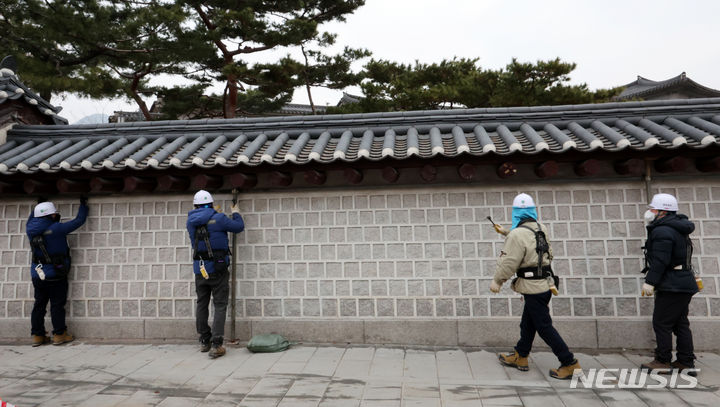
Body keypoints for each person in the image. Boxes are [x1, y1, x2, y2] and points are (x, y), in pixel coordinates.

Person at [490, 193, 581, 379]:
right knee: (528, 323)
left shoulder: (517, 235)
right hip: (545, 283)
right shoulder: (541, 228)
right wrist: (506, 232)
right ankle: (521, 355)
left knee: (544, 327)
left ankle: (569, 362)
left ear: (515, 213)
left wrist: (498, 280)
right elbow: (532, 243)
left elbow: (509, 262)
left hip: (532, 286)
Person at [640, 193, 699, 375]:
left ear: (663, 212)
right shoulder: (677, 227)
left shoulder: (662, 231)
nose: (649, 212)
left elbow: (660, 261)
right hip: (683, 281)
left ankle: (663, 360)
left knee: (661, 323)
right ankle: (685, 361)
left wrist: (650, 282)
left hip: (672, 284)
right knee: (680, 323)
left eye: (653, 209)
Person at [187, 190, 244, 359]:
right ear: (211, 204)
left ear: (195, 206)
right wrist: (235, 213)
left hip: (200, 269)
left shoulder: (190, 221)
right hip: (218, 269)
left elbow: (202, 227)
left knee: (202, 304)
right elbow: (238, 227)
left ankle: (205, 340)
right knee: (220, 305)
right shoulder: (219, 218)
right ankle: (217, 344)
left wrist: (212, 213)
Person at [26, 197, 89, 346]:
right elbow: (78, 221)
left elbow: (33, 217)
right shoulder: (57, 228)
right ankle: (60, 334)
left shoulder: (30, 228)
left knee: (39, 305)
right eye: (54, 213)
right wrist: (83, 205)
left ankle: (37, 336)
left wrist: (39, 205)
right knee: (56, 304)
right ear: (51, 215)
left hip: (37, 273)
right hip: (56, 273)